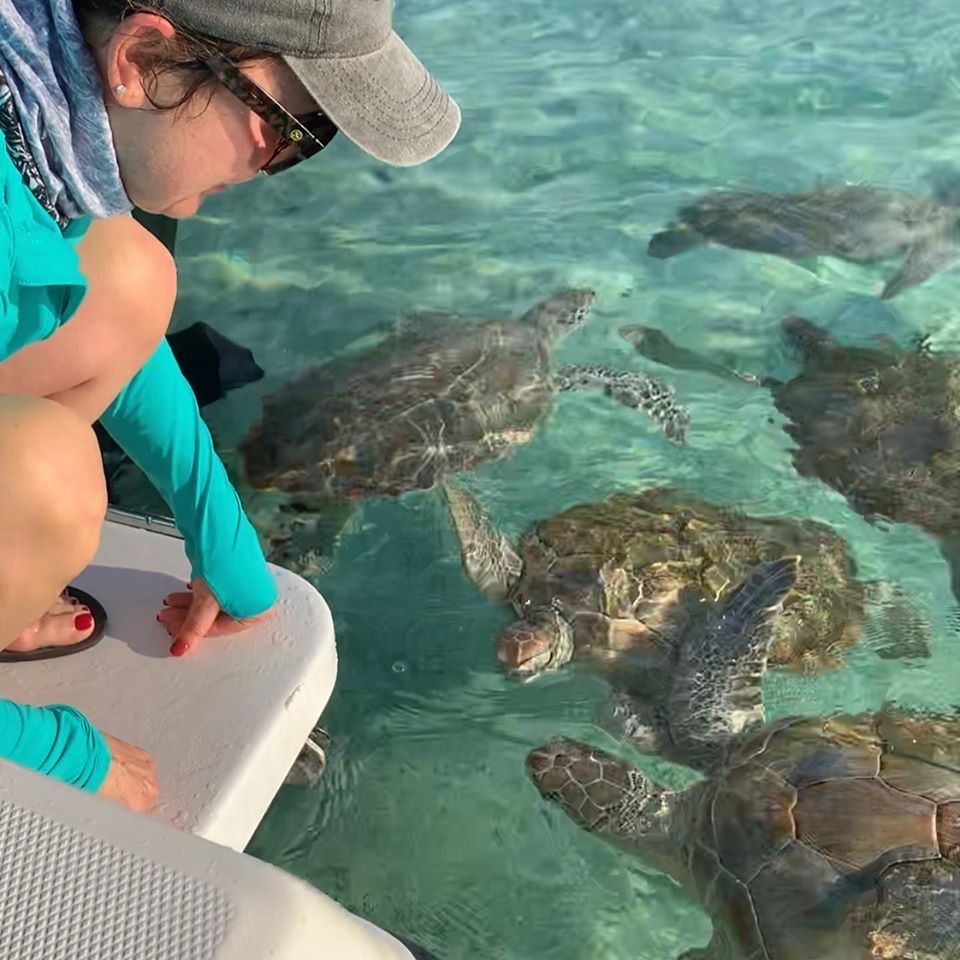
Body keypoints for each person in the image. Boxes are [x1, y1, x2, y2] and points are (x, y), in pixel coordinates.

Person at [0, 0, 460, 811]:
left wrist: (219, 530)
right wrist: (52, 752)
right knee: (49, 477)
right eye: (292, 127)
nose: (281, 161)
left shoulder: (31, 113)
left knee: (129, 271)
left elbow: (111, 322)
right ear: (141, 59)